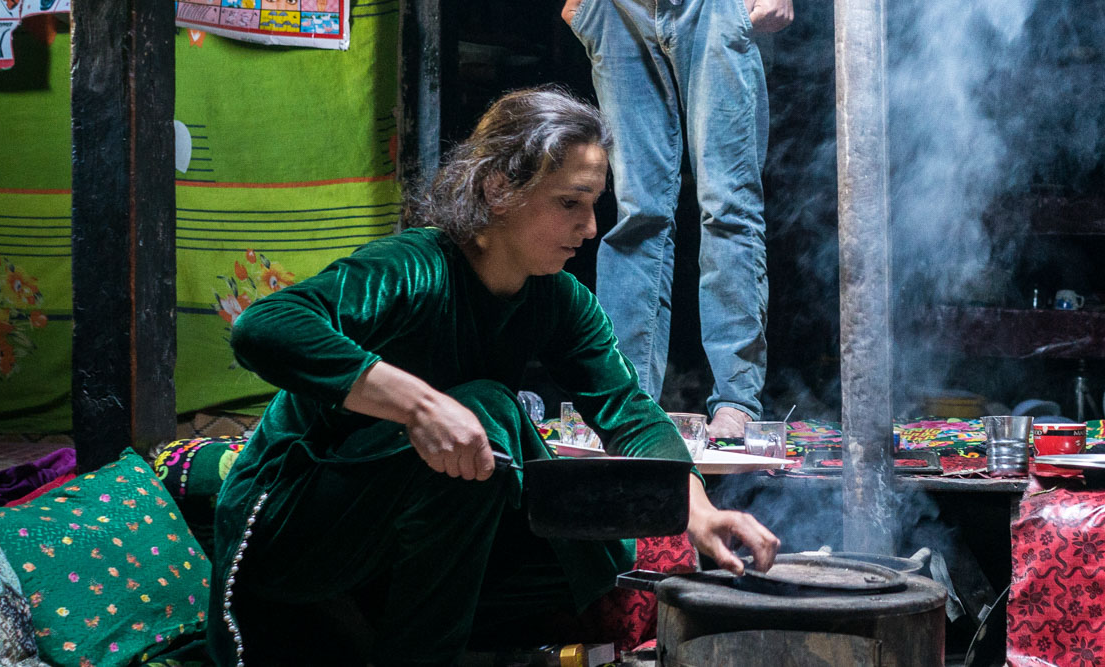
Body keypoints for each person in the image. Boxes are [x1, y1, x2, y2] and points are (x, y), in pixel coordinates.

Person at [206, 87, 780, 666]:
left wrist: (696, 511)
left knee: (601, 556)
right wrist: (421, 407)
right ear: (498, 189)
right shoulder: (413, 269)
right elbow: (263, 327)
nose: (589, 228)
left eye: (594, 205)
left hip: (409, 531)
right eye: (570, 203)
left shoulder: (558, 299)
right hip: (292, 523)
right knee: (490, 408)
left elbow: (628, 412)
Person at [562, 0, 793, 438]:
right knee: (636, 217)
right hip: (617, 9)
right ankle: (626, 401)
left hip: (710, 7)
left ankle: (736, 402)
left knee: (727, 207)